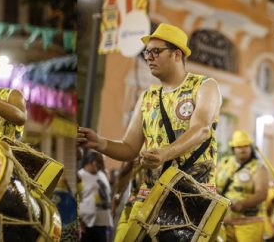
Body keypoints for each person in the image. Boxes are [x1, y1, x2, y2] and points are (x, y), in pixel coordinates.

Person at [77, 23, 222, 239]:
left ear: (176, 54)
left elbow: (201, 129)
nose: (148, 57)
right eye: (146, 52)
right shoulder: (148, 98)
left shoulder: (204, 86)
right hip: (150, 194)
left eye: (156, 51)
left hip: (192, 196)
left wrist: (165, 153)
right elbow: (129, 148)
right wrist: (100, 143)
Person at [215, 131, 268, 242]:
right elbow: (214, 184)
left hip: (249, 223)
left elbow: (261, 194)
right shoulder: (224, 163)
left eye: (245, 146)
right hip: (225, 222)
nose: (242, 149)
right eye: (239, 146)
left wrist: (243, 204)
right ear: (233, 148)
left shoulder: (258, 167)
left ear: (250, 147)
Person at [79, 151, 112, 242]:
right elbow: (75, 199)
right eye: (100, 162)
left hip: (102, 223)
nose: (102, 166)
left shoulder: (101, 175)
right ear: (93, 162)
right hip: (86, 224)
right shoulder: (80, 176)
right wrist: (79, 221)